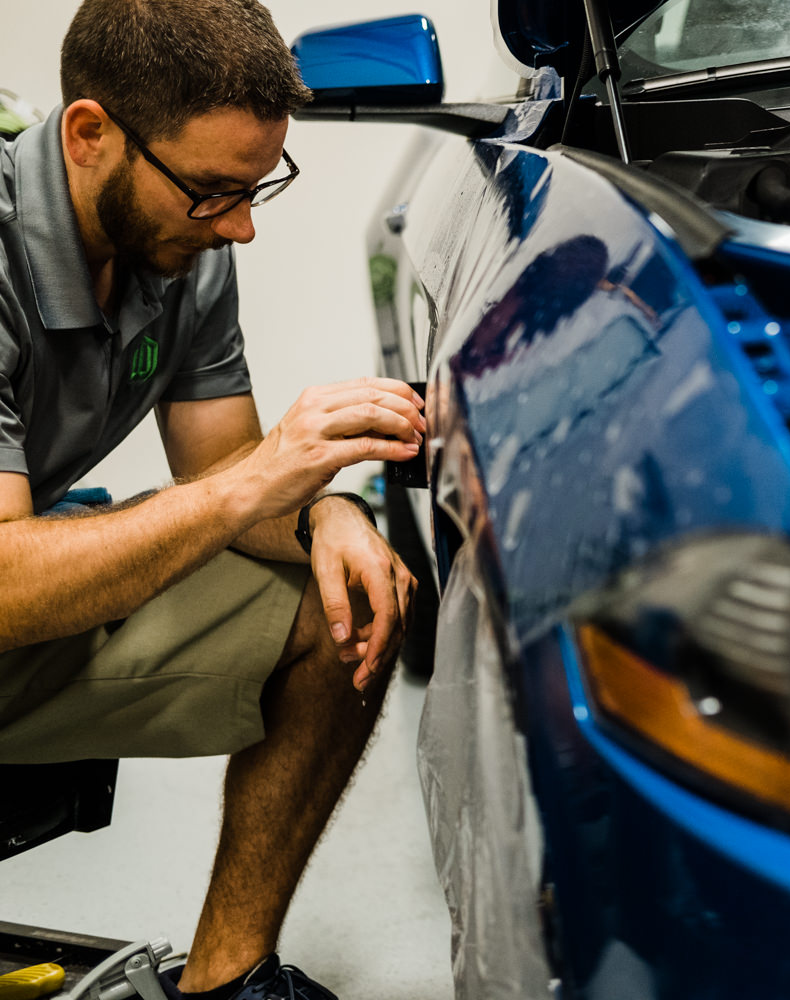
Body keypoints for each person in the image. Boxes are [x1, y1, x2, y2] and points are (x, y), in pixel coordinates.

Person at [0, 1, 425, 998]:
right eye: (211, 193)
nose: (238, 225)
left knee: (344, 600)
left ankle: (228, 979)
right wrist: (258, 478)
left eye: (257, 188)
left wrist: (327, 514)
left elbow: (224, 472)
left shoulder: (180, 251)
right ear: (90, 134)